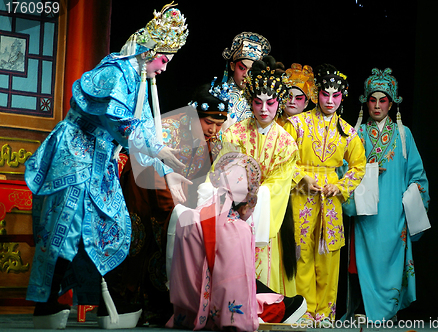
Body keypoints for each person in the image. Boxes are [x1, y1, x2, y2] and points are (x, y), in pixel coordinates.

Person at [23, 3, 189, 329]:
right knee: (68, 230)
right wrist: (161, 152)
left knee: (107, 228)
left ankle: (98, 302)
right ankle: (56, 304)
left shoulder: (138, 79)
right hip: (74, 156)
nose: (165, 68)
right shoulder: (114, 72)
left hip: (100, 162)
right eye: (164, 59)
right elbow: (123, 124)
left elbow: (140, 133)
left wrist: (170, 173)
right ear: (150, 51)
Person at [109, 80, 230, 326]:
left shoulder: (215, 138)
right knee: (141, 243)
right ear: (195, 114)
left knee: (172, 240)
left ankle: (162, 308)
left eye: (219, 124)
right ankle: (128, 304)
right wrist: (178, 208)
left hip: (178, 193)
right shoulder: (169, 128)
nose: (214, 129)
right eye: (209, 122)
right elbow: (143, 157)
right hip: (145, 185)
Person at [205, 55, 301, 299]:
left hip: (264, 220)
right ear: (250, 101)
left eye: (270, 102)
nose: (264, 109)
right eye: (258, 102)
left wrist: (252, 199)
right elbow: (220, 171)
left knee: (264, 270)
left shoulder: (286, 143)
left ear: (279, 102)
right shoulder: (235, 134)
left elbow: (278, 186)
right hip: (233, 214)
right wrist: (211, 193)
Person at [342, 68, 430, 322]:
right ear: (365, 102)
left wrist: (412, 197)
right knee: (362, 263)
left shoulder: (404, 134)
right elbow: (344, 169)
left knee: (390, 265)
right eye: (372, 100)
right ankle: (363, 311)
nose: (377, 106)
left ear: (391, 104)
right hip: (366, 213)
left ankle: (387, 314)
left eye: (383, 100)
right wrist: (366, 170)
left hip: (394, 214)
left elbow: (418, 174)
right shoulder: (355, 134)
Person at [282, 64, 366, 323]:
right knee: (302, 251)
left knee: (329, 255)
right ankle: (304, 311)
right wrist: (300, 176)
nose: (330, 100)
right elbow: (283, 157)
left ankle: (326, 313)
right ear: (317, 93)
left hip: (330, 198)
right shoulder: (297, 124)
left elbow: (359, 166)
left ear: (343, 97)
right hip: (302, 194)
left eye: (336, 95)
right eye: (325, 94)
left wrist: (340, 186)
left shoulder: (348, 131)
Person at [220, 31, 271, 132]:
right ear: (232, 66)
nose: (246, 75)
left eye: (251, 71)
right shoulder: (218, 94)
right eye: (242, 68)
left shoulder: (261, 99)